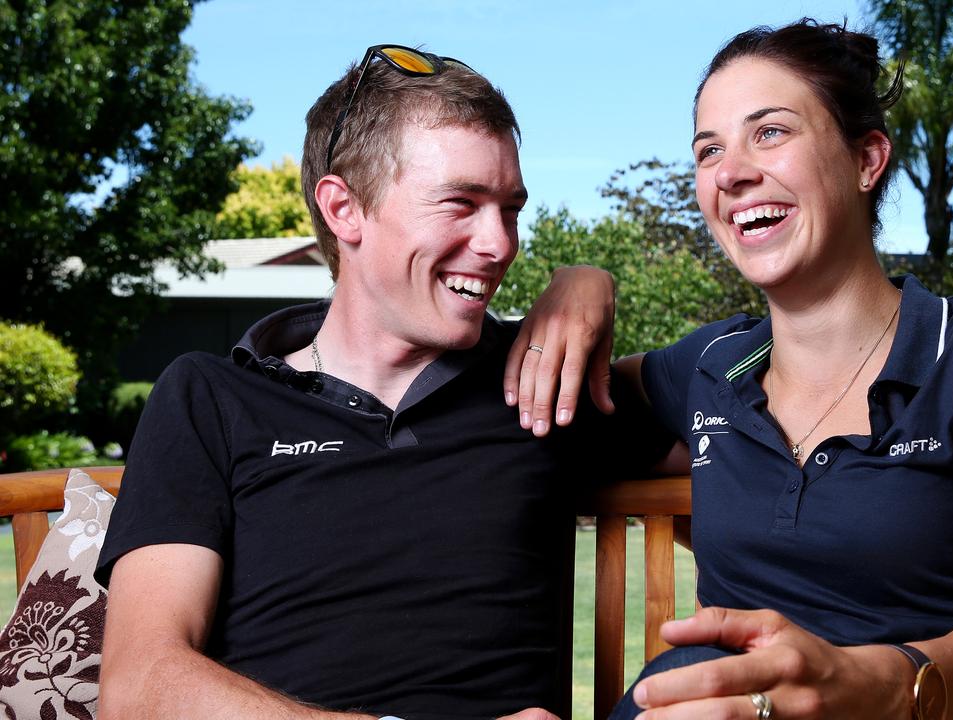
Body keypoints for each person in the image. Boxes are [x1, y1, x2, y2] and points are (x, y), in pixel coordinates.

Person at [522, 19, 953, 720]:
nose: (730, 172)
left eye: (772, 132)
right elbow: (525, 413)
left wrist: (868, 685)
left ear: (867, 159)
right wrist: (583, 282)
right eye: (708, 150)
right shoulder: (713, 366)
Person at [94, 44, 666, 720]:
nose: (501, 244)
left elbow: (770, 439)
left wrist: (589, 281)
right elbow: (140, 685)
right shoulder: (212, 397)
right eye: (462, 202)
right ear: (344, 209)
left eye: (511, 209)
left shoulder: (539, 378)